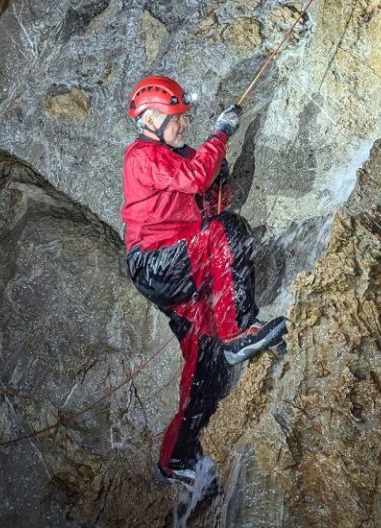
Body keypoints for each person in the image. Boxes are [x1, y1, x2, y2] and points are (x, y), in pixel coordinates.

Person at [121, 75, 287, 486]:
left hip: (178, 267)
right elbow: (196, 178)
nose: (184, 126)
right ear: (151, 119)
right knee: (227, 231)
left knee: (205, 363)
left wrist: (219, 172)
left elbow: (207, 187)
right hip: (157, 264)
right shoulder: (142, 156)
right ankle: (238, 333)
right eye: (177, 119)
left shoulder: (172, 156)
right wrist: (221, 134)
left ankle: (176, 458)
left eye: (185, 119)